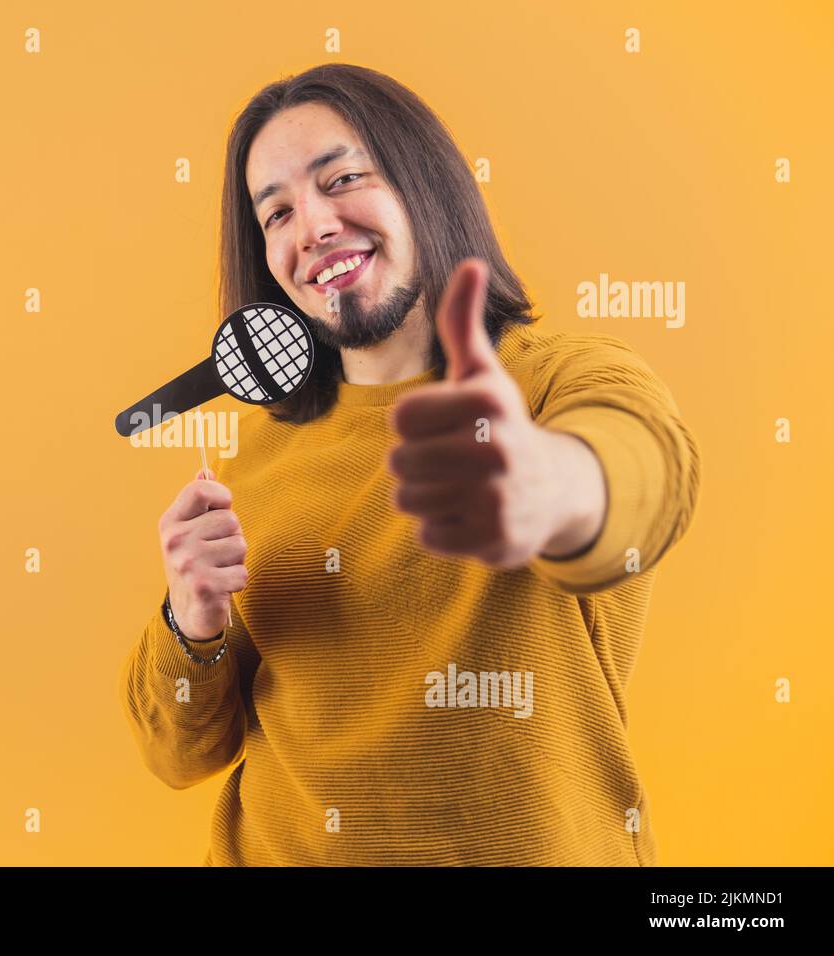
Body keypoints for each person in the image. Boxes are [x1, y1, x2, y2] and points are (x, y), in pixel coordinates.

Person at [117, 63, 701, 866]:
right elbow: (179, 756)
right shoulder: (252, 457)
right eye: (277, 211)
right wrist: (192, 620)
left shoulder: (561, 378)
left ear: (425, 186)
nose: (312, 226)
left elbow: (645, 470)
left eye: (344, 178)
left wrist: (552, 483)